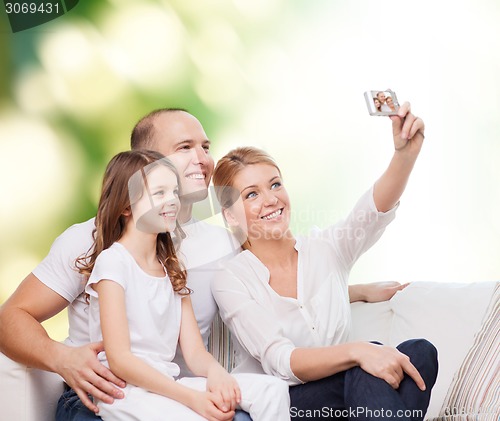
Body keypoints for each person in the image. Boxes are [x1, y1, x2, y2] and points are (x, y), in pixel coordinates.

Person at [0, 109, 251, 420]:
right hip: (106, 399)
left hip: (179, 398)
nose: (202, 158)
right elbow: (10, 318)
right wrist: (61, 357)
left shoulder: (224, 244)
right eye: (185, 147)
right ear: (144, 160)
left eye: (205, 147)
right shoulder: (89, 241)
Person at [211, 102, 439, 421]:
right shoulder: (231, 277)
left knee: (419, 352)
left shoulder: (325, 250)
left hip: (347, 397)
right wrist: (357, 351)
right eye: (251, 194)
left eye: (275, 184)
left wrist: (404, 155)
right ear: (230, 215)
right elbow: (281, 361)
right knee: (367, 361)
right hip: (283, 404)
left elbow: (370, 215)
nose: (270, 199)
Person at [79, 149, 290, 420]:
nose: (172, 202)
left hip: (167, 383)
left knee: (272, 390)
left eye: (174, 192)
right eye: (159, 193)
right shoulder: (113, 262)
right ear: (126, 206)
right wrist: (193, 399)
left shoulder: (172, 267)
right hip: (124, 391)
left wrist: (217, 375)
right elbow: (120, 360)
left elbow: (194, 352)